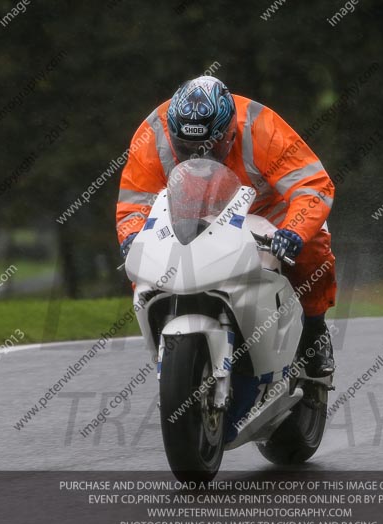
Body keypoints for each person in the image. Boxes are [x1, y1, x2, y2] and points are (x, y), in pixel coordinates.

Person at [115, 76, 336, 376]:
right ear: (172, 133)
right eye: (186, 147)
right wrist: (131, 237)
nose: (198, 155)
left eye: (209, 146)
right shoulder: (154, 135)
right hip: (191, 213)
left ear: (230, 132)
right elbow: (134, 203)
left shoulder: (261, 127)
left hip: (268, 213)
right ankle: (167, 340)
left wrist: (294, 231)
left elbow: (312, 185)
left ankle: (315, 329)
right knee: (146, 265)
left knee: (312, 249)